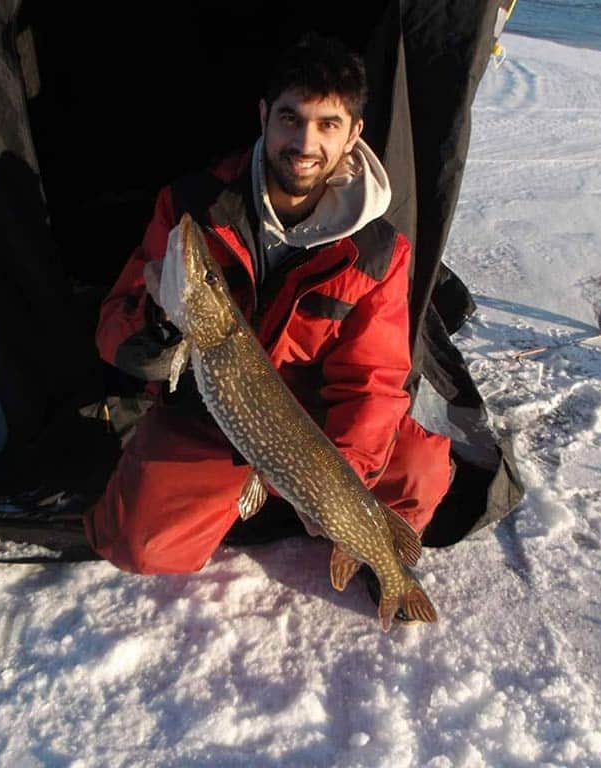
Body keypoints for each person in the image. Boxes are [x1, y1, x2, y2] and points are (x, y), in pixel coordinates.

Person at [84, 33, 454, 575]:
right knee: (138, 546)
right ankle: (244, 501)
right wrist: (157, 329)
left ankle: (371, 557)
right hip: (214, 417)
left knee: (420, 468)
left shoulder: (378, 252)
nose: (305, 143)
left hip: (320, 426)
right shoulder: (193, 205)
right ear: (264, 116)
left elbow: (373, 381)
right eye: (291, 118)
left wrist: (336, 483)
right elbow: (114, 324)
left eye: (328, 124)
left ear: (354, 133)